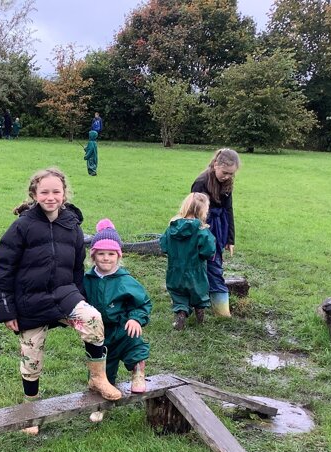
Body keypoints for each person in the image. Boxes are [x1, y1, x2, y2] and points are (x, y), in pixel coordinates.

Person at [0, 167, 122, 436]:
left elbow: (76, 265)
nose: (51, 197)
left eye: (56, 192)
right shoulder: (22, 226)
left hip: (64, 294)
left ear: (64, 194)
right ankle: (31, 410)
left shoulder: (71, 225)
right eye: (45, 192)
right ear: (35, 194)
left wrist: (78, 297)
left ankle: (97, 379)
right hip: (30, 300)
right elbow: (1, 267)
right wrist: (6, 310)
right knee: (31, 357)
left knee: (93, 319)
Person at [84, 219, 152, 422]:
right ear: (93, 256)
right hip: (99, 335)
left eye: (111, 254)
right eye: (101, 254)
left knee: (134, 347)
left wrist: (135, 319)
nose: (106, 258)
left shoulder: (126, 281)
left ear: (118, 256)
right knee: (102, 371)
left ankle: (138, 372)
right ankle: (101, 405)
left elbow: (143, 303)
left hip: (123, 328)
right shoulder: (87, 279)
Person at [191, 148, 240, 317]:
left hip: (220, 227)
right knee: (202, 264)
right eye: (225, 172)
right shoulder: (201, 182)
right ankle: (199, 304)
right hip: (203, 228)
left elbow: (228, 209)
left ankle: (220, 309)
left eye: (231, 174)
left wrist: (230, 238)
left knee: (215, 264)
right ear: (216, 164)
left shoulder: (227, 183)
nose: (227, 177)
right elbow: (194, 213)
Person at [160, 193, 217, 330]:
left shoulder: (172, 228)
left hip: (175, 270)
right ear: (203, 211)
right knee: (199, 293)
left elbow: (163, 246)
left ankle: (181, 313)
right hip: (196, 270)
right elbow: (208, 250)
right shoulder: (202, 230)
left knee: (178, 295)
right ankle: (200, 317)